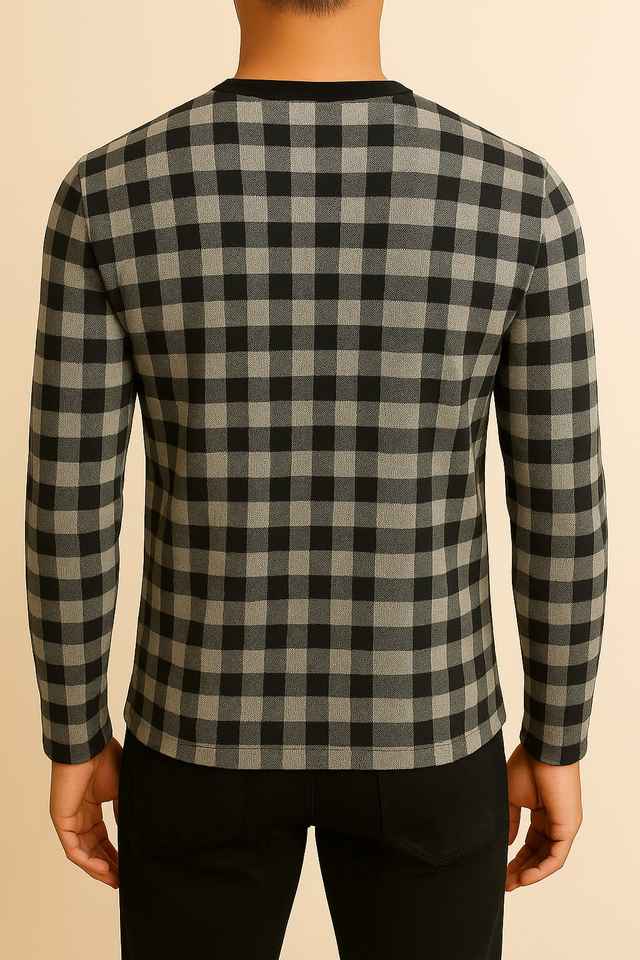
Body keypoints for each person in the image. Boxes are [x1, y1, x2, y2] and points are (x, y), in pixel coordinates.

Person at [25, 0, 608, 957]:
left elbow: (68, 504)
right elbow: (563, 510)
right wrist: (558, 737)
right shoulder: (516, 194)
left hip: (197, 729)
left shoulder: (111, 191)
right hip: (428, 727)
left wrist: (74, 730)